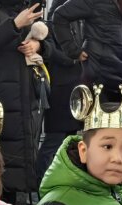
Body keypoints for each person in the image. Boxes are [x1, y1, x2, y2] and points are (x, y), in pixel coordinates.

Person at [0, 0, 50, 205]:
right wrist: (15, 24)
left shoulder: (29, 7)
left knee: (21, 154)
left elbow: (48, 41)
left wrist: (38, 45)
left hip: (26, 94)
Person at [35, 0, 85, 183]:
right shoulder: (59, 13)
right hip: (60, 85)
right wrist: (75, 57)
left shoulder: (72, 13)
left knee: (67, 138)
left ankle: (57, 180)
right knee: (55, 139)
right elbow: (51, 52)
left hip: (72, 83)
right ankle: (40, 181)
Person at [53, 0, 122, 97]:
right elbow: (59, 16)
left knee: (110, 109)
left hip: (115, 74)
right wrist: (73, 51)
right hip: (107, 73)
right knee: (105, 109)